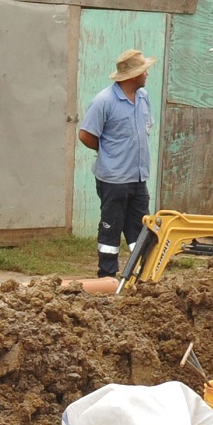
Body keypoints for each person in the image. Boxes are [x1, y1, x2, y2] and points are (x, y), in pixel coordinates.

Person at [78, 48, 155, 280]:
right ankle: (107, 276)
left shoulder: (143, 98)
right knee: (111, 228)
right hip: (114, 180)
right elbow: (86, 135)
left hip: (138, 177)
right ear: (133, 76)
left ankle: (140, 274)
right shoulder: (104, 101)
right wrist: (109, 153)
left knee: (140, 230)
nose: (147, 75)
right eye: (144, 71)